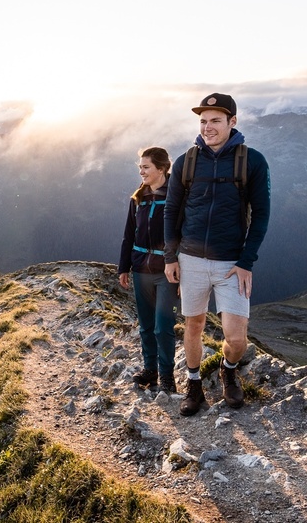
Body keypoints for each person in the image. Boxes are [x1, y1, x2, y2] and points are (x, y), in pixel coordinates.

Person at [163, 93, 271, 415]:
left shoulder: (252, 161)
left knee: (237, 338)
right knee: (193, 325)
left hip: (230, 263)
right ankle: (194, 385)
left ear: (232, 122)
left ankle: (228, 368)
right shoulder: (186, 161)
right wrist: (171, 256)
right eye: (203, 121)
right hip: (190, 258)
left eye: (215, 120)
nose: (208, 127)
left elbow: (262, 215)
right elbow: (171, 210)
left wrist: (245, 262)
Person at [119, 147, 180, 394]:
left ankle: (167, 376)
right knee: (145, 325)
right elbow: (128, 235)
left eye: (146, 167)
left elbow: (182, 236)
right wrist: (124, 267)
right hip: (140, 271)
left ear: (162, 169)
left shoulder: (176, 199)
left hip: (166, 272)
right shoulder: (138, 199)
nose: (141, 172)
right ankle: (150, 371)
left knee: (163, 326)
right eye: (140, 167)